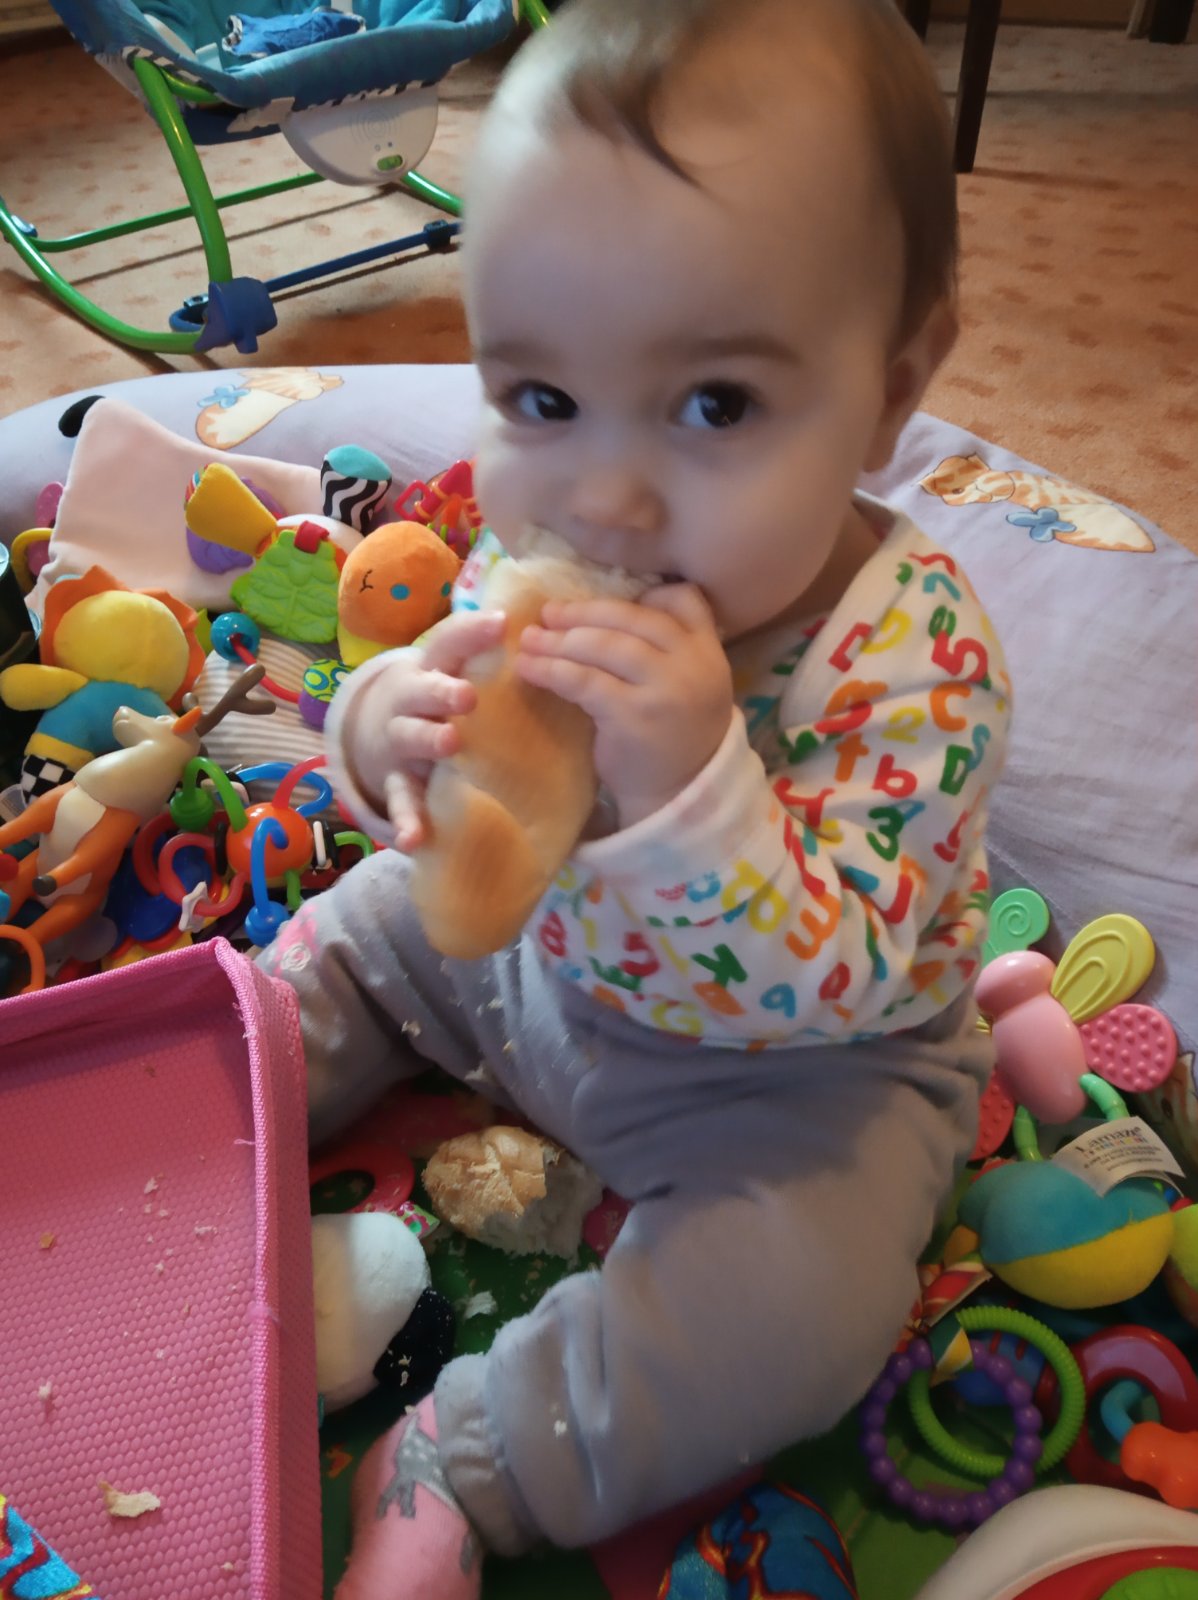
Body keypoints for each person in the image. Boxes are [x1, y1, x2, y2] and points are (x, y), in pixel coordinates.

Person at [260, 0, 1011, 1594]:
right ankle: (210, 1102)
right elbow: (457, 798)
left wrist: (690, 783)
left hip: (796, 1088)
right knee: (357, 931)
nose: (600, 496)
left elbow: (837, 974)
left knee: (799, 1311)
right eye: (539, 399)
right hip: (525, 974)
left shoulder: (915, 660)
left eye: (714, 405)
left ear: (888, 391)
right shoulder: (540, 547)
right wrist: (382, 733)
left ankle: (461, 1463)